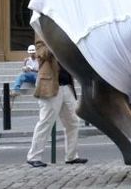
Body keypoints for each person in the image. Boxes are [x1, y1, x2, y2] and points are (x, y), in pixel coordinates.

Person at [26, 37, 87, 167]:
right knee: (45, 122)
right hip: (50, 87)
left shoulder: (65, 38)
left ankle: (71, 156)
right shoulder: (42, 39)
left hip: (67, 87)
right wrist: (56, 42)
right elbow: (42, 54)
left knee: (73, 122)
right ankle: (33, 156)